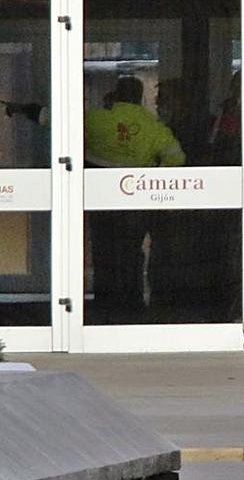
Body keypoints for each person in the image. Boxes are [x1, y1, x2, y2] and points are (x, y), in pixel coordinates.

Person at [84, 77, 185, 320]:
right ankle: (131, 305)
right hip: (135, 203)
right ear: (140, 96)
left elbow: (56, 121)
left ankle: (105, 304)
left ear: (116, 93)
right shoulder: (153, 127)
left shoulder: (96, 119)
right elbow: (177, 159)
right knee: (131, 252)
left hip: (101, 199)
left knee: (103, 251)